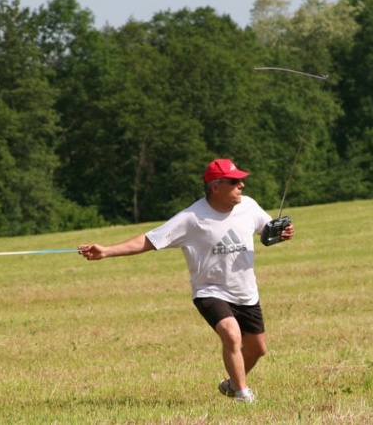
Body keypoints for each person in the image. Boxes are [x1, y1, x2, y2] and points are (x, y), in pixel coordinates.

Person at [78, 158, 296, 403]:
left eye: (241, 180)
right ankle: (243, 395)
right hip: (210, 290)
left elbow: (267, 229)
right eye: (234, 181)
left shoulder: (249, 206)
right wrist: (106, 250)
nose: (241, 185)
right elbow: (151, 240)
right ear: (215, 186)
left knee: (257, 349)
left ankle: (232, 384)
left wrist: (283, 232)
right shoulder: (191, 218)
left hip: (246, 292)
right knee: (231, 335)